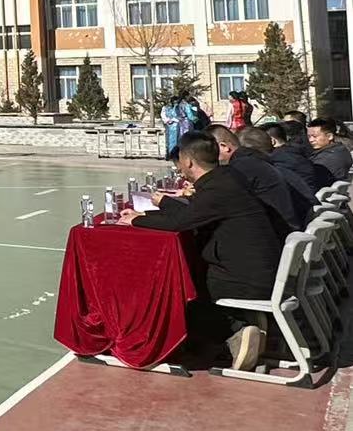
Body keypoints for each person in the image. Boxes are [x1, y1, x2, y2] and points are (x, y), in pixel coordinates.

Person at [118, 131, 281, 371]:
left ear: (187, 161)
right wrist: (155, 208)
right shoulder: (226, 178)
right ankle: (241, 325)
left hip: (247, 278)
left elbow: (180, 222)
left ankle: (235, 331)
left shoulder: (217, 189)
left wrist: (135, 221)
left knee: (184, 294)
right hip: (261, 269)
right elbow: (193, 213)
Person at [307, 118, 352, 185]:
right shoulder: (339, 150)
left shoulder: (327, 158)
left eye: (315, 136)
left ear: (330, 136)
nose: (311, 140)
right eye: (309, 136)